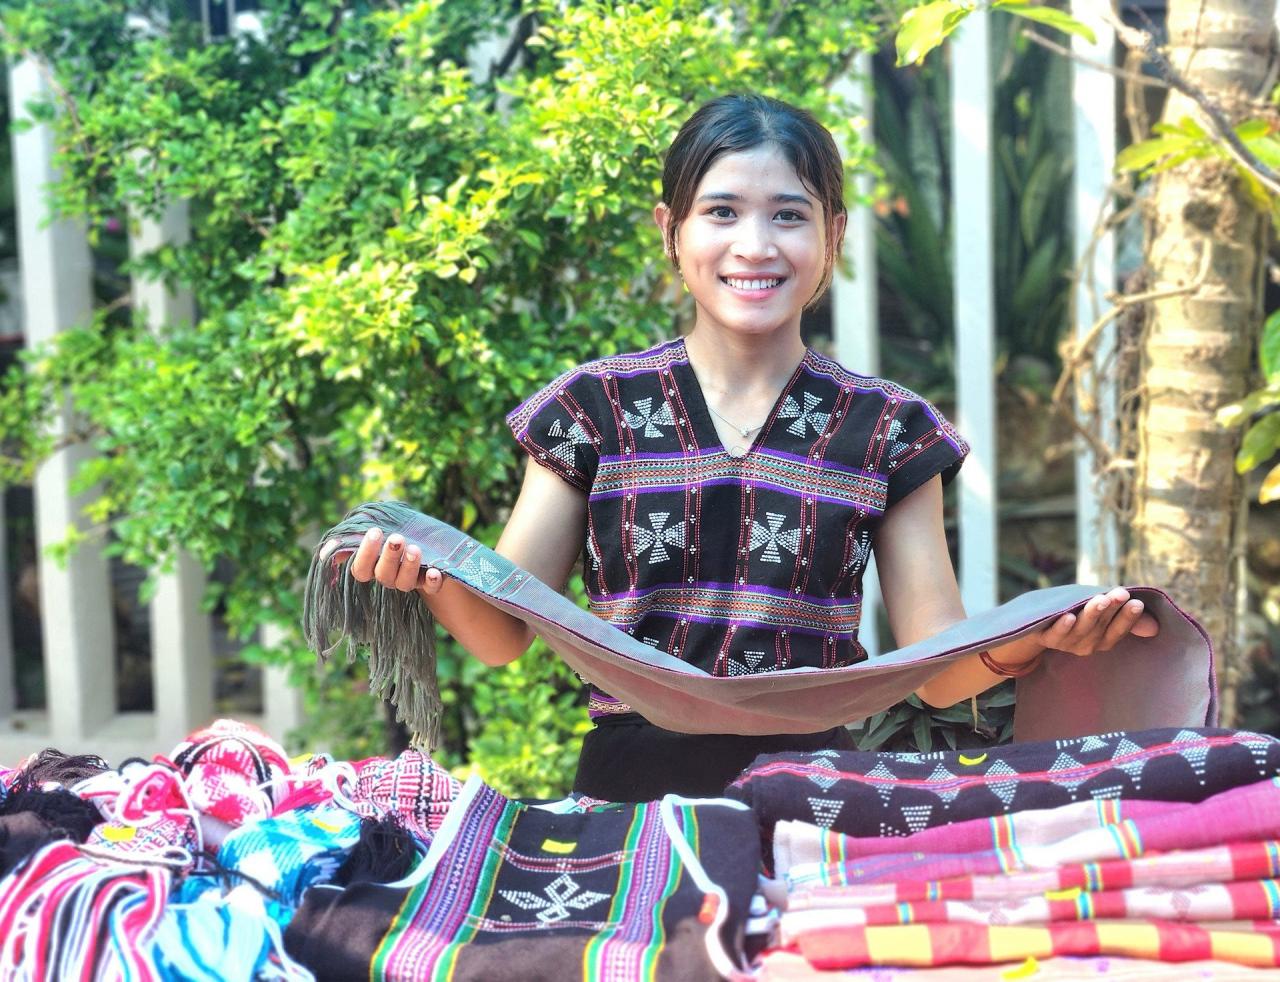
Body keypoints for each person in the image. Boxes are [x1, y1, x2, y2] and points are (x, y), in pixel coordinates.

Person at [348, 94, 1159, 802]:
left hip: (820, 792)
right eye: (722, 211)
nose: (755, 246)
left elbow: (936, 667)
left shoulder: (887, 429)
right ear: (671, 230)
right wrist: (423, 577)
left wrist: (1028, 643)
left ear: (832, 234)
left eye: (789, 214)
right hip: (631, 796)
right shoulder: (592, 410)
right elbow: (503, 633)